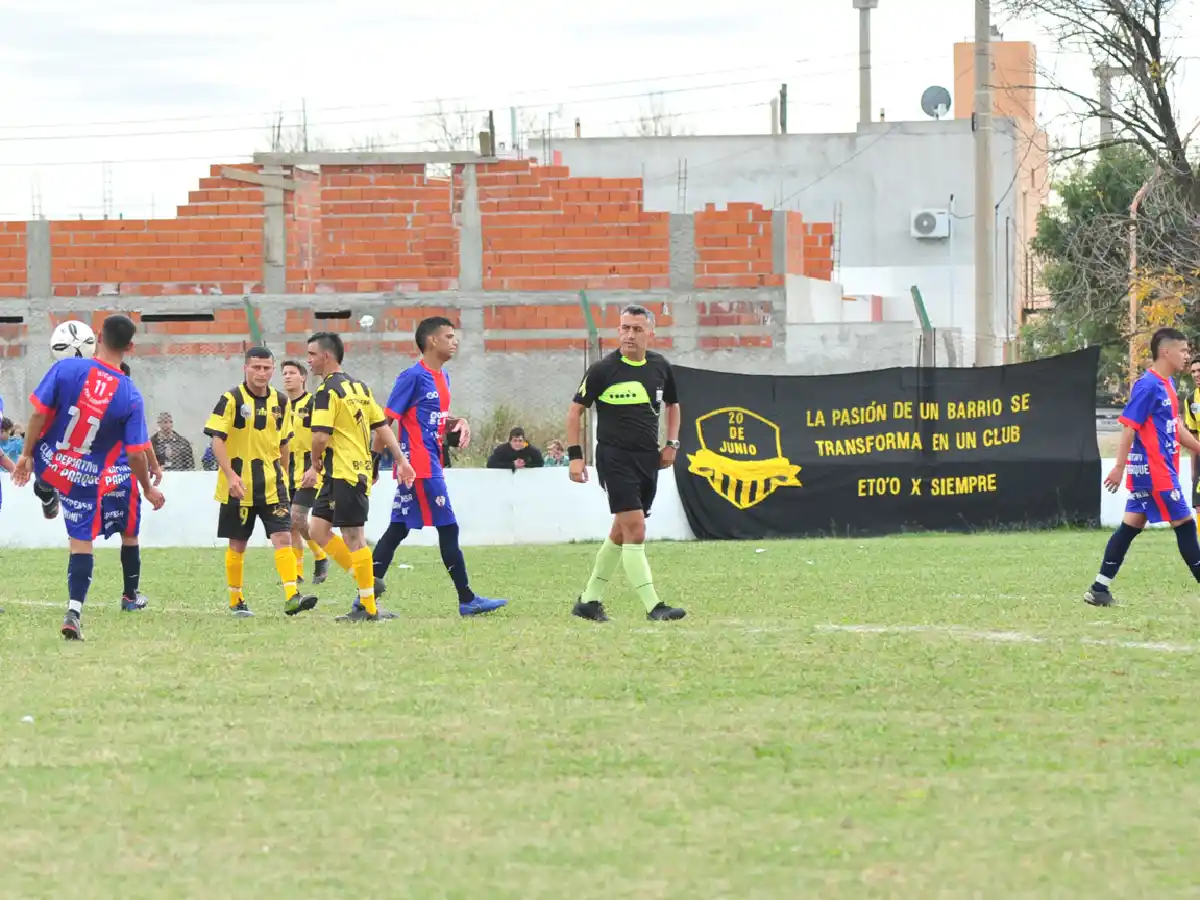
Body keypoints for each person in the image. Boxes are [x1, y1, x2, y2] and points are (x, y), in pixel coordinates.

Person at [11, 314, 166, 639]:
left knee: (46, 461)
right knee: (82, 543)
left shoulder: (66, 368)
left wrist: (26, 456)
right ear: (131, 346)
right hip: (86, 476)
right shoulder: (130, 394)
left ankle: (46, 487)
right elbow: (136, 452)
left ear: (97, 336)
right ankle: (74, 611)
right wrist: (148, 488)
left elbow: (39, 413)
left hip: (51, 459)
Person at [371, 316, 509, 617]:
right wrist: (374, 463)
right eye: (448, 336)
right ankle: (467, 599)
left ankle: (364, 598)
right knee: (448, 528)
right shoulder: (412, 377)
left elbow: (433, 420)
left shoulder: (443, 378)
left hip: (429, 463)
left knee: (398, 529)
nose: (454, 341)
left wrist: (458, 422)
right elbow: (385, 421)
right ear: (431, 341)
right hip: (419, 468)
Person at [566, 304, 686, 623]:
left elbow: (674, 405)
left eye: (636, 328)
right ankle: (654, 606)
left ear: (650, 332)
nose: (629, 334)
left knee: (620, 531)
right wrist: (576, 457)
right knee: (636, 529)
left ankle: (589, 601)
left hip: (647, 459)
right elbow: (575, 411)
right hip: (614, 459)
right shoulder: (604, 370)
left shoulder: (660, 366)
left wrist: (671, 444)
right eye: (624, 328)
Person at [303, 331, 415, 623]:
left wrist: (315, 460)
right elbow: (383, 426)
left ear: (327, 356)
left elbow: (320, 435)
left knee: (354, 537)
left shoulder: (326, 392)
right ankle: (365, 579)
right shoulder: (360, 388)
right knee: (317, 531)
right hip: (342, 473)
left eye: (312, 355)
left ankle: (368, 607)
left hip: (346, 472)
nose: (309, 360)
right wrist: (401, 461)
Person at [1086, 327, 1200, 607]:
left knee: (1130, 526)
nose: (1187, 356)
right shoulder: (1148, 385)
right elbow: (1128, 427)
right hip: (1155, 471)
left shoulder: (1169, 385)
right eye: (1183, 350)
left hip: (1154, 472)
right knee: (1185, 525)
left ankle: (1099, 588)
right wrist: (1118, 467)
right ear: (1166, 352)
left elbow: (1176, 428)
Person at [203, 345, 314, 618]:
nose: (261, 373)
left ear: (272, 370)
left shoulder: (281, 402)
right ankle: (236, 599)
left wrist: (285, 475)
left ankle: (292, 595)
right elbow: (217, 439)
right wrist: (230, 475)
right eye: (256, 367)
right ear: (246, 368)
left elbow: (284, 442)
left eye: (266, 368)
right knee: (238, 543)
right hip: (238, 486)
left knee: (283, 536)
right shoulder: (231, 398)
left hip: (272, 483)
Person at [280, 359, 329, 586]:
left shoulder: (312, 403)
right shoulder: (279, 406)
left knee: (298, 517)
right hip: (285, 471)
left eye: (292, 373)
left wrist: (314, 466)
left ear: (303, 377)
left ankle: (320, 555)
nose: (287, 377)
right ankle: (297, 573)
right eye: (284, 373)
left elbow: (321, 437)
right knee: (290, 524)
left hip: (310, 470)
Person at [1184, 358, 1200, 506]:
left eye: (1199, 371)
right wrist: (1193, 470)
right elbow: (1193, 437)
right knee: (1199, 503)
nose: (1196, 375)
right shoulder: (1191, 400)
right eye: (1193, 371)